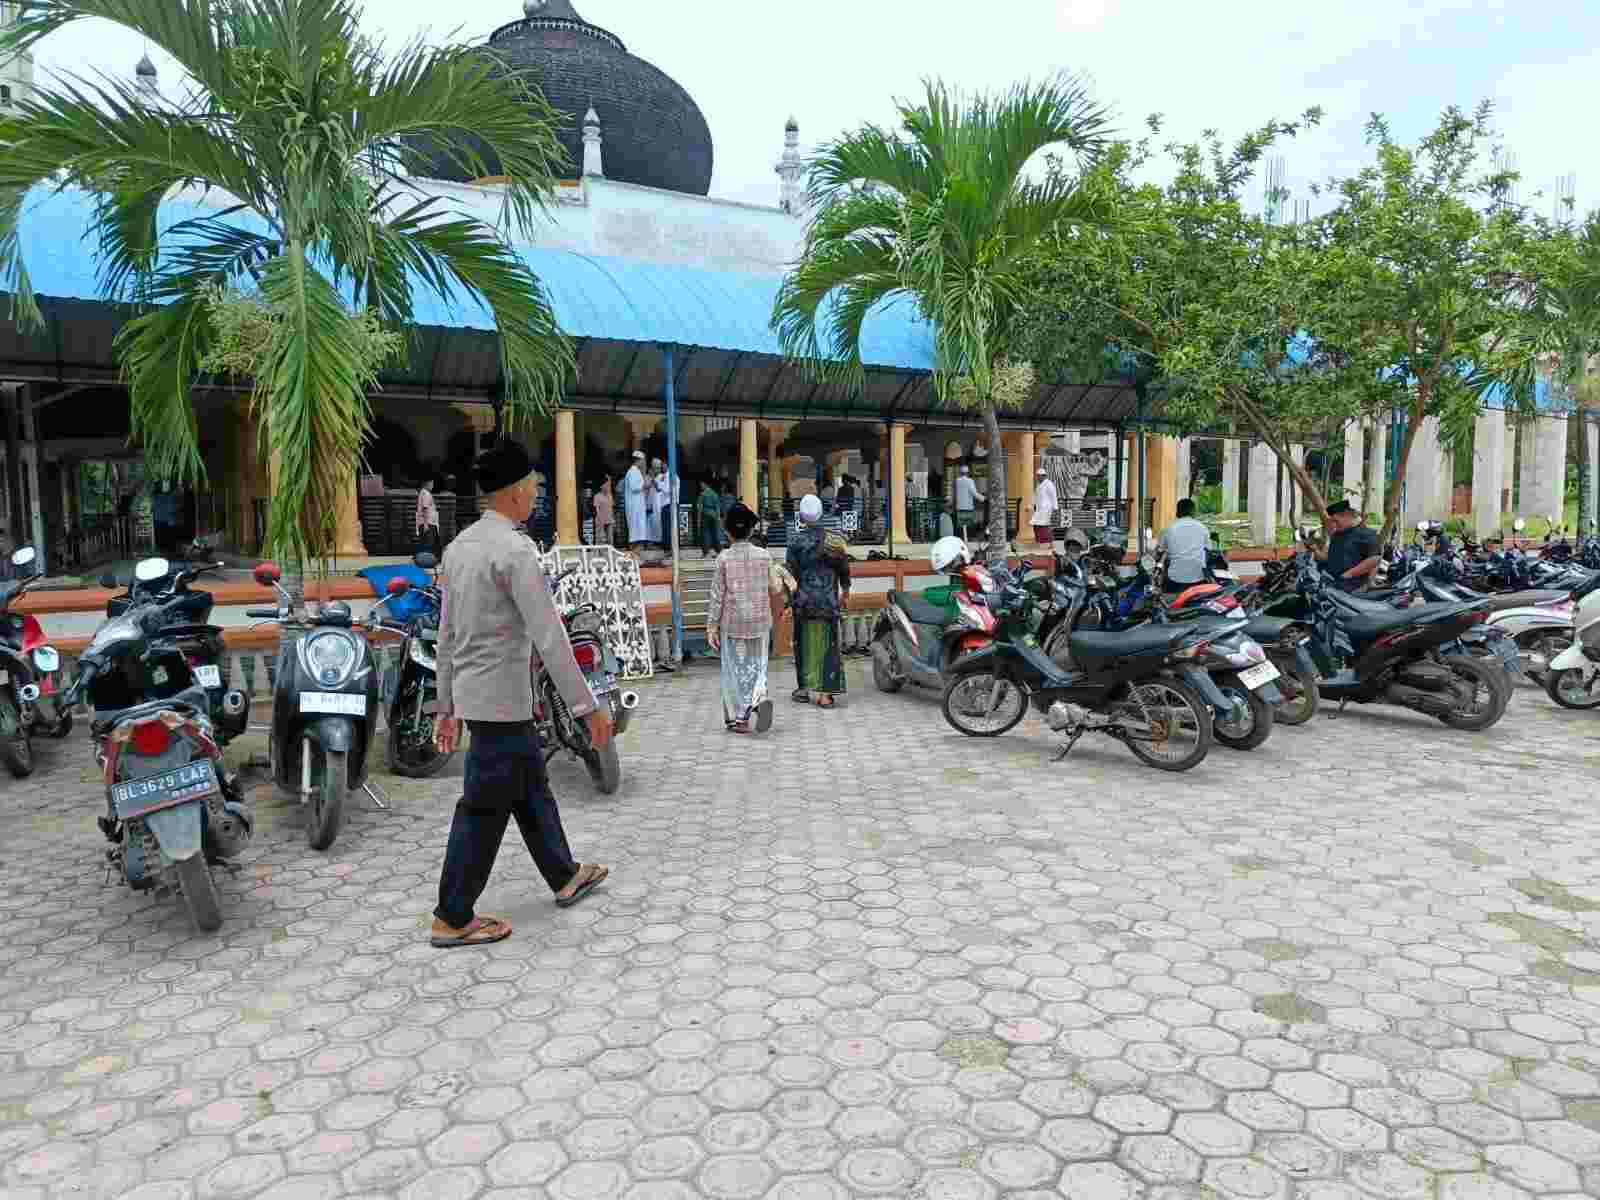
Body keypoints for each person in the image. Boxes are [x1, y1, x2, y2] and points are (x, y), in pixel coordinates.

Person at [429, 440, 613, 948]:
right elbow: (550, 635)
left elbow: (444, 634)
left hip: (477, 696)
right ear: (513, 492)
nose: (536, 493)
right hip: (501, 701)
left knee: (530, 788)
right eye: (533, 485)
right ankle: (452, 915)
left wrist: (446, 705)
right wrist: (587, 706)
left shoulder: (459, 549)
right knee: (483, 808)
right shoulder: (515, 550)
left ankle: (564, 874)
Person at [707, 502, 781, 734]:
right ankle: (758, 698)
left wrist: (711, 626)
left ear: (728, 531)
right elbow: (776, 588)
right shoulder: (765, 556)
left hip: (732, 622)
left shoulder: (723, 559)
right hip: (760, 622)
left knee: (733, 669)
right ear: (751, 531)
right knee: (758, 667)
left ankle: (739, 717)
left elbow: (717, 595)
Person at [786, 494, 851, 709]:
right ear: (821, 513)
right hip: (828, 600)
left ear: (801, 517)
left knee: (803, 643)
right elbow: (844, 569)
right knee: (829, 645)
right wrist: (846, 591)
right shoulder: (835, 539)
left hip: (804, 600)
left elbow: (790, 575)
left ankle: (804, 689)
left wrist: (789, 601)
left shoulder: (795, 540)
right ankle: (825, 695)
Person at [1317, 498, 1380, 591]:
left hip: (1352, 588)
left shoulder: (1365, 533)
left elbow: (1374, 559)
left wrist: (1349, 574)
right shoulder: (1337, 535)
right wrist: (1315, 551)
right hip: (1332, 584)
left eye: (1336, 521)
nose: (1334, 525)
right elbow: (1331, 556)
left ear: (1346, 515)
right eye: (1332, 521)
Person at [1158, 497, 1210, 593]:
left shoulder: (1168, 529)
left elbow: (1159, 551)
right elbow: (1207, 551)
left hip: (1175, 578)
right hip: (1198, 577)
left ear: (1177, 512)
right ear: (1193, 512)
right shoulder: (1203, 528)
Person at [623, 451, 650, 552]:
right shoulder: (633, 471)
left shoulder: (635, 471)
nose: (644, 463)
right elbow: (634, 487)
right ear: (639, 460)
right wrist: (645, 485)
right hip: (635, 506)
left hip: (637, 505)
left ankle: (636, 552)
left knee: (637, 528)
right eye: (643, 460)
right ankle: (634, 552)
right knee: (635, 528)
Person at [416, 474, 442, 556]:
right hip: (428, 523)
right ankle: (426, 560)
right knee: (429, 545)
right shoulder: (426, 494)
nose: (433, 486)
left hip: (426, 522)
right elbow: (425, 508)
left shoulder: (422, 493)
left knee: (425, 543)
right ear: (428, 483)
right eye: (432, 484)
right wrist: (426, 524)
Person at [1032, 466, 1058, 546]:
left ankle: (1051, 544)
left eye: (1039, 476)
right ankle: (1039, 543)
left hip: (1046, 509)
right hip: (1039, 509)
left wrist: (1055, 508)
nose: (1038, 477)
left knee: (1045, 527)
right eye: (1037, 476)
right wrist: (1032, 505)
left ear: (1044, 476)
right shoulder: (1039, 485)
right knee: (1037, 526)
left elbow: (1053, 496)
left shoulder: (1049, 484)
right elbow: (1036, 497)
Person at [697, 478, 722, 556]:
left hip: (705, 514)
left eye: (701, 484)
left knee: (705, 534)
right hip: (714, 515)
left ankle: (705, 552)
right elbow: (718, 506)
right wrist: (718, 516)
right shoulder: (714, 494)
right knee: (715, 533)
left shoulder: (703, 494)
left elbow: (699, 507)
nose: (701, 486)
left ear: (705, 484)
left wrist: (698, 519)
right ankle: (718, 551)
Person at [954, 465, 979, 538]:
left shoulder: (957, 481)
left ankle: (961, 539)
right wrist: (983, 498)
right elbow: (974, 493)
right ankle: (967, 539)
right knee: (968, 525)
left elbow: (954, 493)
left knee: (961, 525)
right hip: (968, 506)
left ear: (960, 473)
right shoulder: (970, 481)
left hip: (959, 506)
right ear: (968, 473)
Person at [643, 460, 662, 546]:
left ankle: (656, 541)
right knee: (648, 524)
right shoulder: (646, 478)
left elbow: (659, 489)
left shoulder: (661, 477)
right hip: (647, 504)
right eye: (655, 468)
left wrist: (653, 480)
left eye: (658, 468)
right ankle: (648, 541)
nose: (656, 470)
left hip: (656, 505)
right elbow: (644, 489)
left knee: (655, 523)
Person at [592, 478, 614, 548]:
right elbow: (596, 509)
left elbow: (611, 507)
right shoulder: (597, 496)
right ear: (601, 487)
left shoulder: (610, 496)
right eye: (606, 485)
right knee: (600, 539)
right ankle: (599, 554)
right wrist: (600, 518)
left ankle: (610, 553)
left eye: (608, 485)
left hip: (609, 519)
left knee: (610, 538)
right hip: (600, 520)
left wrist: (613, 518)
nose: (607, 487)